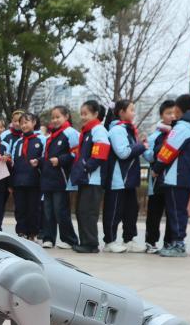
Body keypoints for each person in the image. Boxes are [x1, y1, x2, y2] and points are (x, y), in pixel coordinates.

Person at [153, 94, 190, 258]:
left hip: (175, 175)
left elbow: (167, 150)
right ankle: (176, 242)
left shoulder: (182, 128)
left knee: (176, 211)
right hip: (187, 175)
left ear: (178, 109)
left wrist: (157, 168)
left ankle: (178, 244)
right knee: (179, 210)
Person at [101, 100, 147, 253]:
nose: (134, 113)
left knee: (131, 210)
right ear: (121, 112)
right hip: (118, 178)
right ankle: (110, 241)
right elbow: (123, 152)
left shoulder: (127, 129)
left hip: (128, 179)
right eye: (131, 110)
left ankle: (129, 239)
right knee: (114, 210)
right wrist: (141, 146)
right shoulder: (117, 130)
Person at [70, 100, 110, 253]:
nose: (83, 117)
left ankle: (91, 243)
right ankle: (85, 241)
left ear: (95, 114)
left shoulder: (98, 130)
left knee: (88, 212)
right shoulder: (87, 131)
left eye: (86, 114)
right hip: (86, 178)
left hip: (94, 179)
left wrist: (87, 168)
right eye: (82, 113)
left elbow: (101, 153)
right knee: (81, 211)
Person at [40, 106, 79, 249]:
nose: (55, 120)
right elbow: (46, 156)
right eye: (53, 117)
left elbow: (76, 153)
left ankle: (69, 239)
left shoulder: (70, 133)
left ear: (66, 117)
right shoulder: (50, 136)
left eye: (58, 117)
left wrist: (60, 160)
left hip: (61, 178)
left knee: (60, 210)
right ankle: (48, 238)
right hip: (48, 178)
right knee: (48, 210)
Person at [142, 100, 178, 254]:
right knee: (154, 213)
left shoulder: (179, 133)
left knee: (172, 213)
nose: (172, 116)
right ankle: (151, 242)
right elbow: (149, 157)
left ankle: (169, 243)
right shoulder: (155, 135)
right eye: (168, 113)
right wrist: (145, 148)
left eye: (175, 113)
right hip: (156, 180)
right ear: (161, 115)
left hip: (174, 180)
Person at [9, 112, 43, 240]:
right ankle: (21, 232)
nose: (23, 125)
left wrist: (38, 162)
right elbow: (13, 162)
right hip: (19, 181)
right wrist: (11, 183)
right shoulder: (18, 142)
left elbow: (44, 158)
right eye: (21, 123)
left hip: (34, 181)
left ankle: (32, 233)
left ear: (34, 123)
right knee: (20, 209)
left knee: (33, 209)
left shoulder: (41, 139)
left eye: (26, 122)